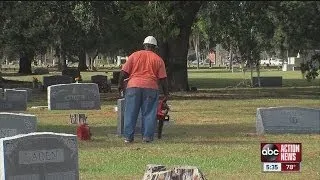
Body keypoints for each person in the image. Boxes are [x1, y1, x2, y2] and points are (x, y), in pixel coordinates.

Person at [118, 36, 169, 143]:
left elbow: (123, 73)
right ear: (155, 48)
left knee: (130, 112)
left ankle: (128, 137)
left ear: (144, 45)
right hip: (151, 87)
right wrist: (166, 94)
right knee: (149, 113)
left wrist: (120, 85)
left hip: (133, 86)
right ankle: (147, 137)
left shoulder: (134, 55)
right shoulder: (158, 59)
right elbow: (163, 79)